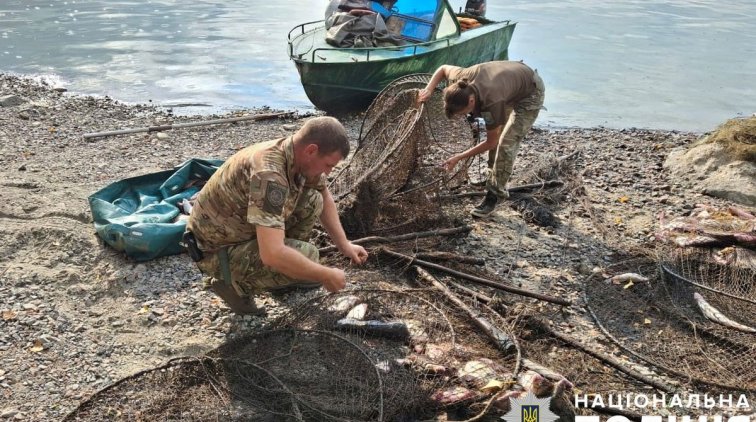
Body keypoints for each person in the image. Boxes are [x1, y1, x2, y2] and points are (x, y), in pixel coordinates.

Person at [185, 116, 369, 315]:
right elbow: (271, 253)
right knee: (309, 255)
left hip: (241, 230)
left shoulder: (297, 155)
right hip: (216, 249)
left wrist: (344, 245)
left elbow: (323, 194)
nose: (329, 171)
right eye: (328, 165)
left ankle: (287, 271)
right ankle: (234, 286)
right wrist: (325, 275)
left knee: (313, 199)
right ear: (311, 150)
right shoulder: (270, 175)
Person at [417, 60, 545, 217]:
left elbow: (491, 142)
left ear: (472, 101)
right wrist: (428, 90)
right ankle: (493, 177)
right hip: (510, 82)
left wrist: (459, 157)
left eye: (464, 113)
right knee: (498, 135)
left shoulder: (491, 103)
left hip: (530, 91)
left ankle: (494, 195)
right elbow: (443, 69)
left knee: (506, 143)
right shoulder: (461, 78)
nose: (464, 117)